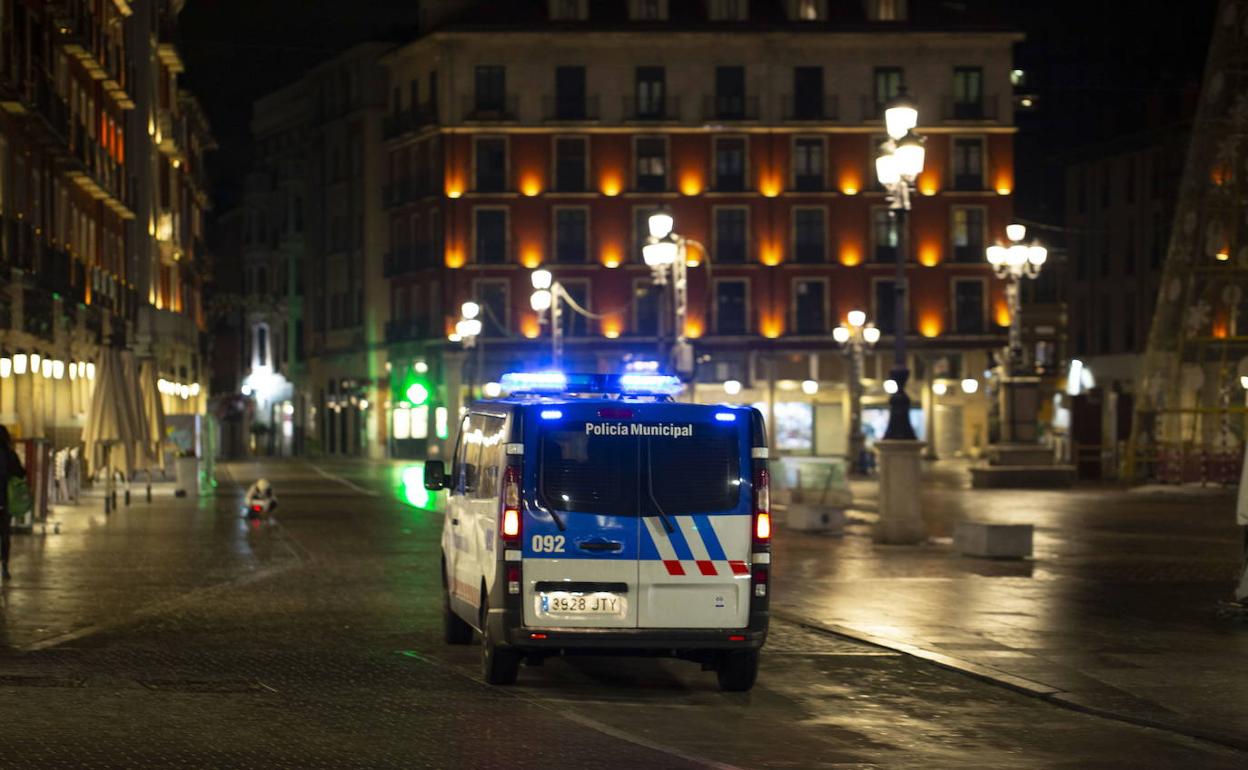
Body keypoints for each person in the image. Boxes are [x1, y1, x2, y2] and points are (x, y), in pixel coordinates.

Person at [0, 426, 27, 580]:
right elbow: (20, 473)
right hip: (5, 499)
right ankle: (4, 566)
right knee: (4, 534)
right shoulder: (10, 455)